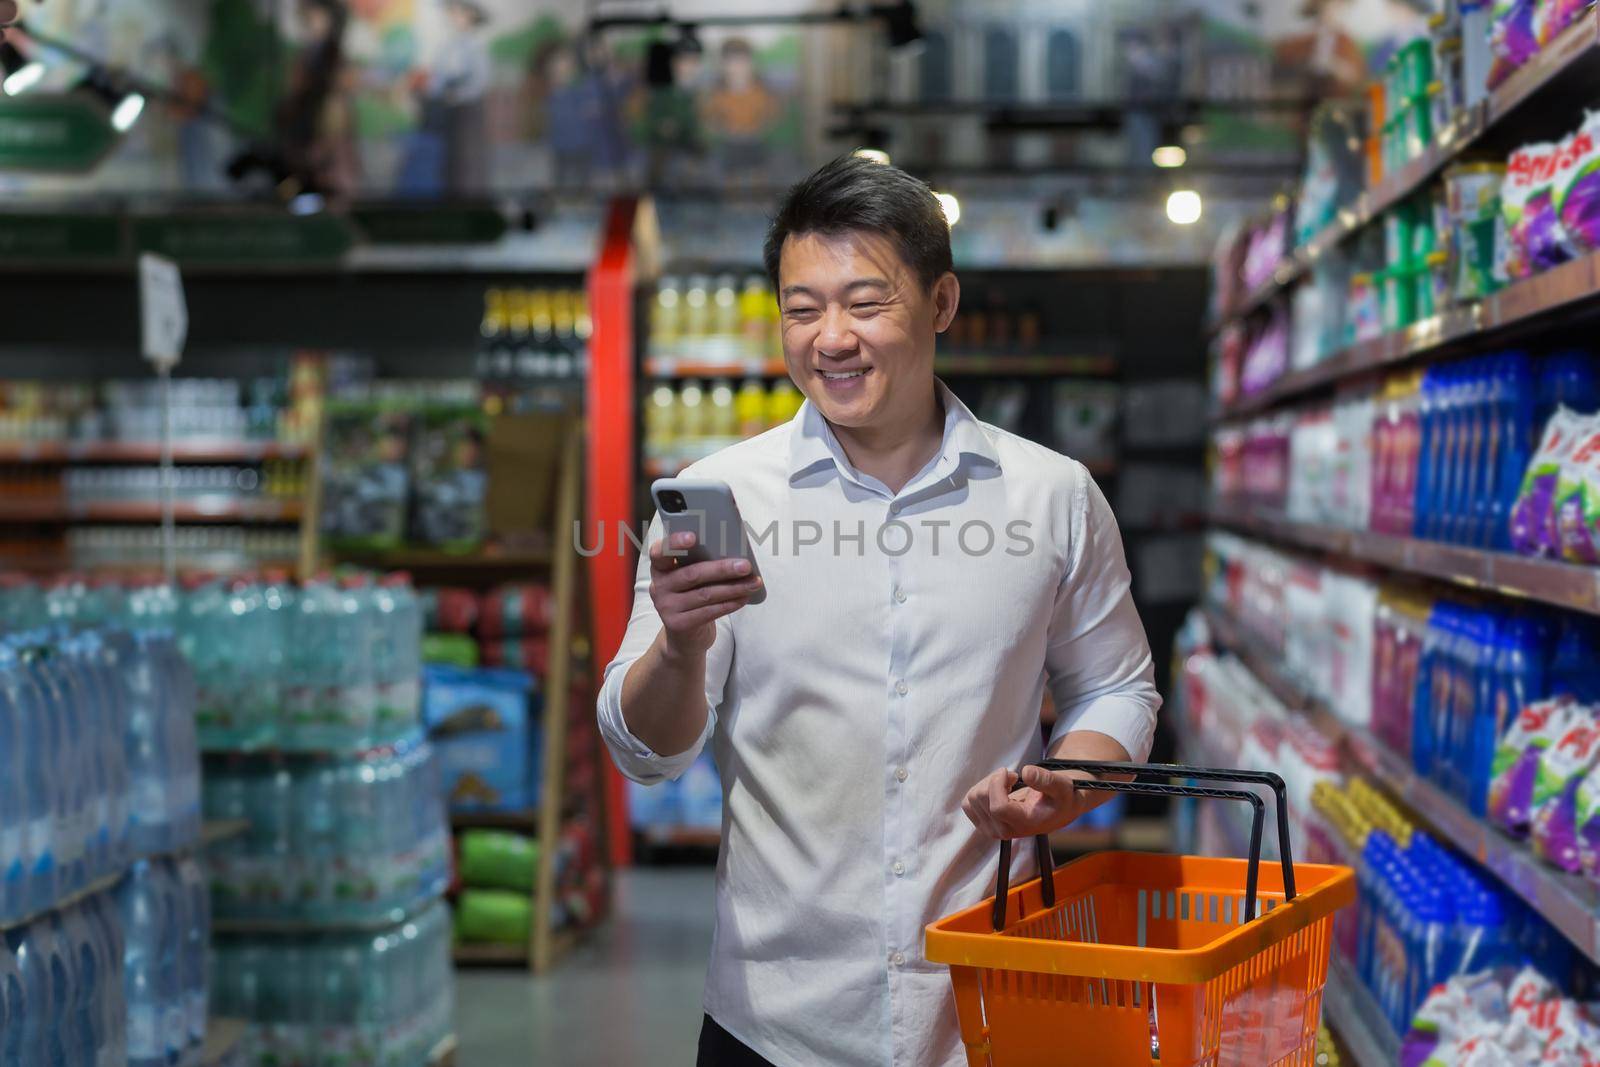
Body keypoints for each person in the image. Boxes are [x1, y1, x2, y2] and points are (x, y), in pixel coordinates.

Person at [597, 157, 1161, 1067]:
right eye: (801, 306)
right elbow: (647, 751)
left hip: (986, 1010)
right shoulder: (718, 498)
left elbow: (1116, 687)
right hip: (771, 1023)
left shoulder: (1052, 496)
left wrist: (1070, 783)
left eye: (865, 302)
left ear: (941, 302)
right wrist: (678, 640)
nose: (830, 338)